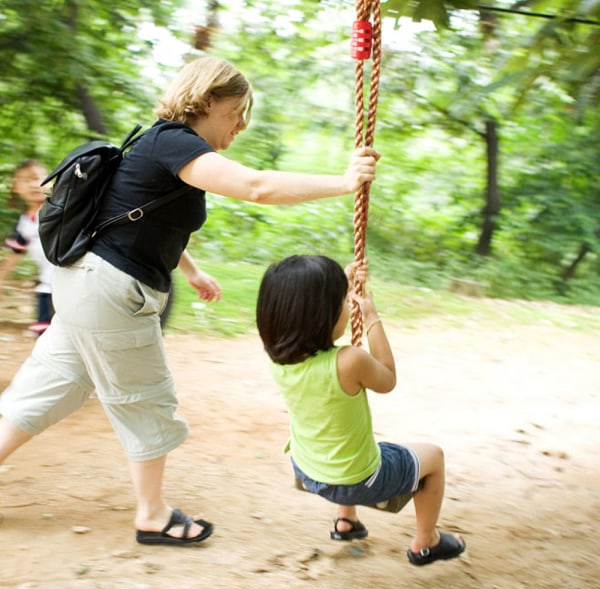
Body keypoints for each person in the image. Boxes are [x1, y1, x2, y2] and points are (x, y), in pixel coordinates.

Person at [0, 56, 380, 546]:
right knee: (147, 401)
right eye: (237, 111)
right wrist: (343, 183)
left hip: (85, 287)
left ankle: (149, 509)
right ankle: (152, 515)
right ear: (207, 100)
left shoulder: (159, 145)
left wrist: (193, 271)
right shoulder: (172, 141)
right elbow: (256, 186)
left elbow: (147, 222)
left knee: (46, 388)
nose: (242, 124)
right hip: (109, 293)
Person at [255, 255, 466, 566]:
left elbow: (303, 304)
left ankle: (346, 522)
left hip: (306, 469)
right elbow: (388, 378)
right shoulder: (349, 361)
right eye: (342, 301)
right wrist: (371, 317)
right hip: (357, 481)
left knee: (346, 443)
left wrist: (344, 278)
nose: (346, 305)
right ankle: (426, 542)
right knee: (433, 456)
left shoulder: (278, 358)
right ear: (322, 315)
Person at [0, 160, 55, 335]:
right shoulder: (23, 224)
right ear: (16, 187)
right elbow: (15, 254)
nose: (33, 184)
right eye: (25, 180)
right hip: (47, 289)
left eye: (37, 178)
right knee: (44, 334)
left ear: (50, 181)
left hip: (74, 286)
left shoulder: (58, 211)